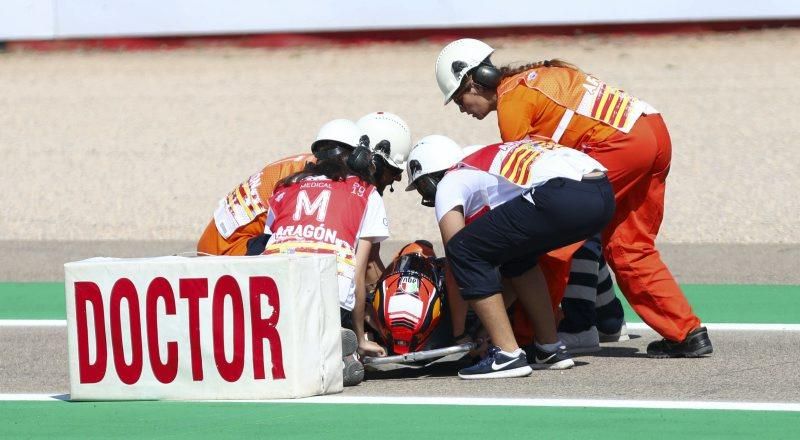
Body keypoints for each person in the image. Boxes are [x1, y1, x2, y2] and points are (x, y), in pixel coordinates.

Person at [434, 38, 713, 358]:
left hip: (620, 145)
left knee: (548, 235)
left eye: (459, 99)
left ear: (476, 80)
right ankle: (686, 333)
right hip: (652, 129)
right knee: (628, 247)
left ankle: (530, 334)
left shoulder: (513, 105)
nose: (462, 109)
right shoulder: (537, 76)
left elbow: (525, 185)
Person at [406, 135, 615, 379]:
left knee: (464, 249)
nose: (427, 197)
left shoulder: (450, 180)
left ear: (433, 177)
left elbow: (457, 259)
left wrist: (459, 332)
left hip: (565, 193)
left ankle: (508, 355)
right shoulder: (483, 162)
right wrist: (486, 325)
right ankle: (549, 348)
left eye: (423, 187)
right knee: (518, 258)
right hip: (602, 192)